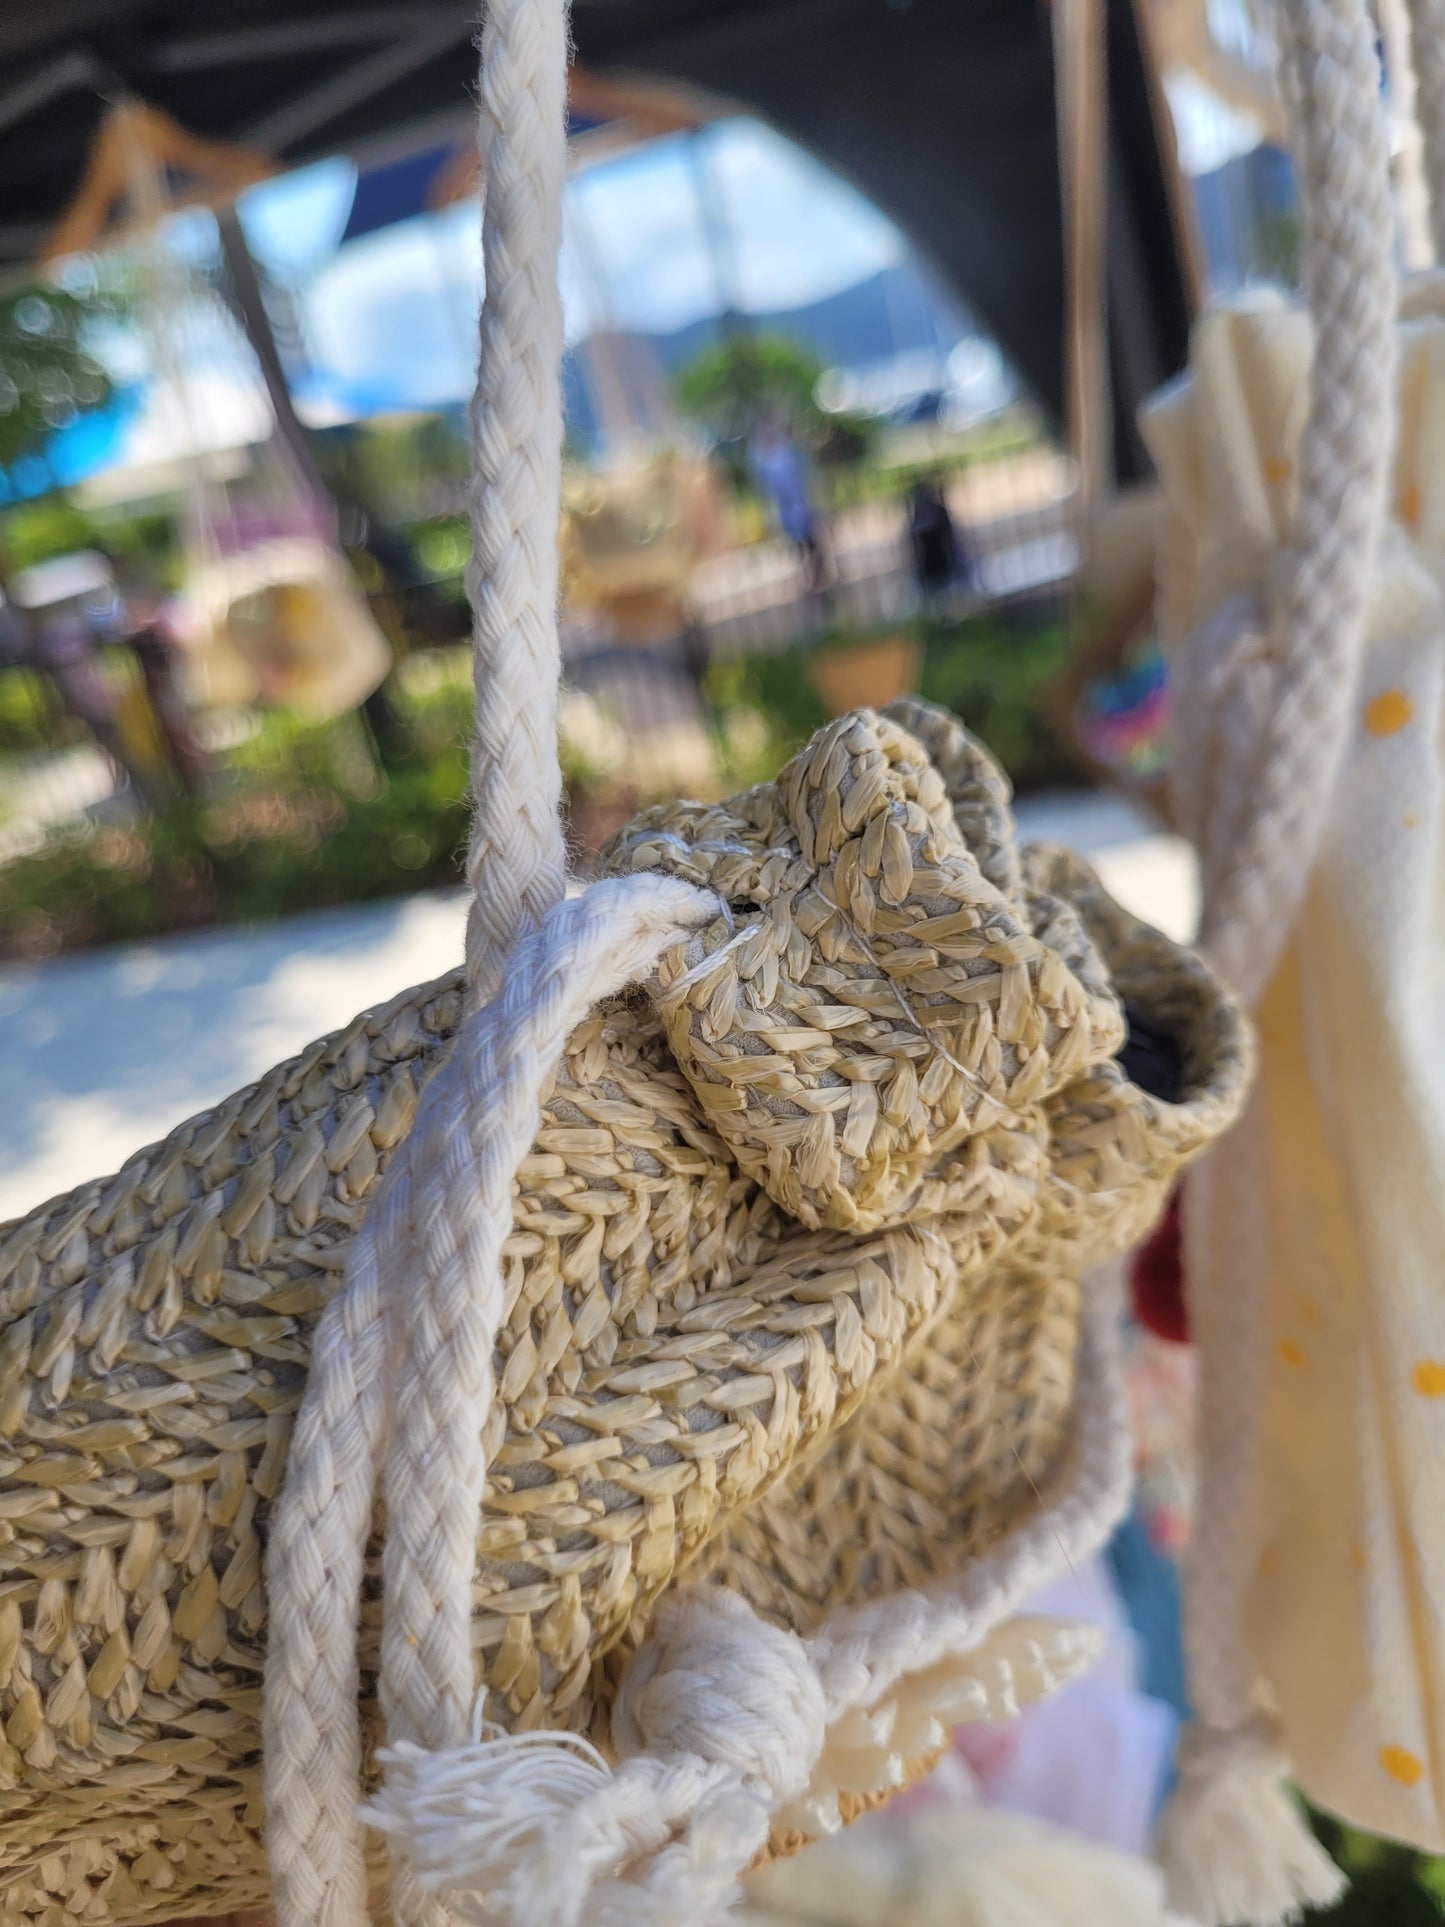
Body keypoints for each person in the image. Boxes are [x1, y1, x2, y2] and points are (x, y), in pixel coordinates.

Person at [749, 413, 827, 597]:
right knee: (797, 546)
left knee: (812, 541)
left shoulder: (788, 453)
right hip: (787, 509)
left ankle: (819, 574)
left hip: (801, 503)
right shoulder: (764, 461)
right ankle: (808, 576)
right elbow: (765, 490)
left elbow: (806, 477)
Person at [908, 471, 965, 607]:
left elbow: (950, 540)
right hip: (934, 569)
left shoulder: (933, 514)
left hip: (942, 567)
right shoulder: (920, 517)